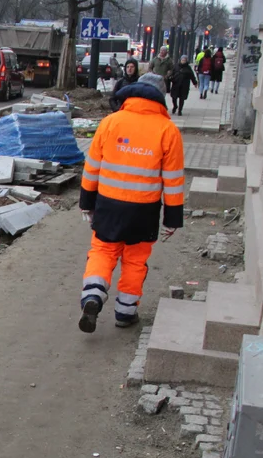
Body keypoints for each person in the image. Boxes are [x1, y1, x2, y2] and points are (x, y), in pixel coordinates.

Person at [78, 73, 184, 333]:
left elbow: (92, 168)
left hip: (108, 205)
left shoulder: (110, 123)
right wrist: (172, 218)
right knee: (136, 261)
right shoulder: (168, 130)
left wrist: (86, 202)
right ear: (161, 97)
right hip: (144, 210)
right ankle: (125, 312)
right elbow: (173, 180)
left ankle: (93, 295)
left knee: (103, 251)